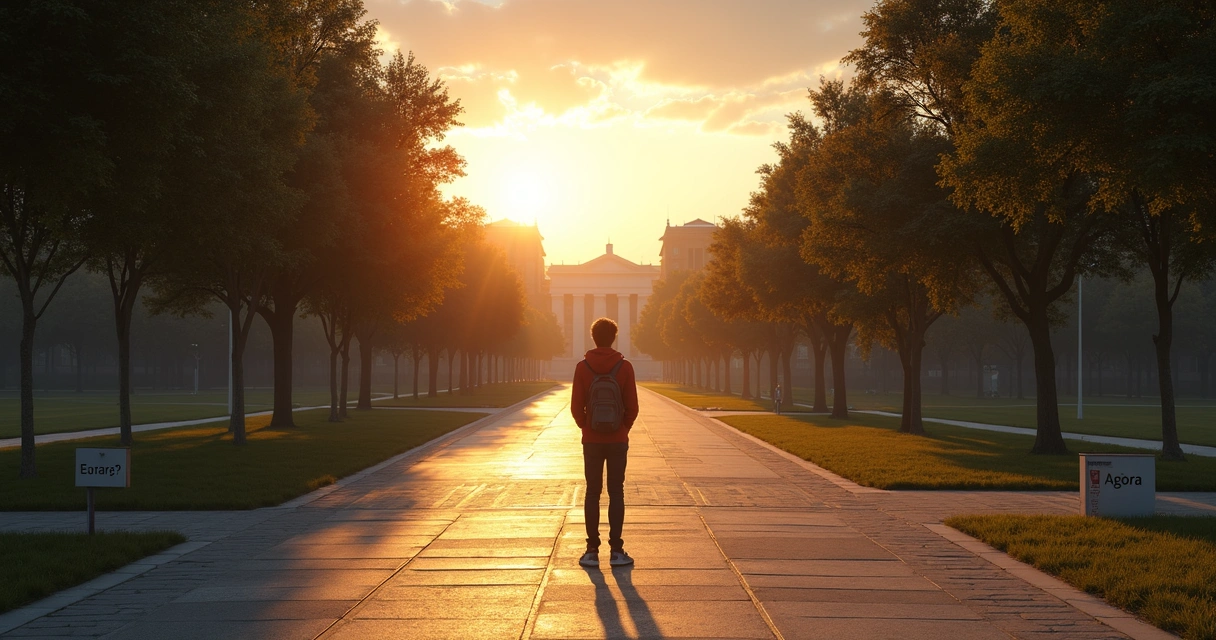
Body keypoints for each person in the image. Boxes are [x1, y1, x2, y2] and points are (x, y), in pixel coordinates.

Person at [571, 317, 638, 568]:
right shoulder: (625, 367)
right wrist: (622, 428)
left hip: (592, 440)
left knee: (592, 492)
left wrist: (587, 426)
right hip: (618, 439)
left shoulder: (582, 367)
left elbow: (576, 406)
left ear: (593, 337)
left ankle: (591, 550)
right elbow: (633, 406)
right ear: (614, 337)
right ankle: (617, 550)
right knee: (616, 492)